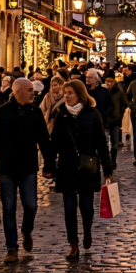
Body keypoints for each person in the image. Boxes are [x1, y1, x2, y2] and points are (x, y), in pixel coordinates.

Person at [0, 78, 55, 265]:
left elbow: (44, 141)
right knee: (9, 209)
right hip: (7, 168)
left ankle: (26, 230)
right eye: (30, 90)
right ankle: (12, 248)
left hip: (28, 167)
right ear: (18, 93)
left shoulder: (35, 112)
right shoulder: (2, 113)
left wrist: (49, 164)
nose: (33, 92)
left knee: (31, 205)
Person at [48, 80, 113, 260]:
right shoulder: (61, 115)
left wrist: (107, 168)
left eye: (70, 93)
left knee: (86, 207)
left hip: (87, 166)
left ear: (80, 95)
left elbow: (101, 143)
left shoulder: (93, 115)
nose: (66, 96)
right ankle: (73, 244)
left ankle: (87, 230)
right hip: (66, 166)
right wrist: (49, 166)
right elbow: (54, 143)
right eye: (65, 92)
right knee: (69, 207)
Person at [105, 74, 129, 169]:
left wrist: (120, 113)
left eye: (111, 81)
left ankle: (113, 160)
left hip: (115, 121)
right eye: (107, 81)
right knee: (105, 142)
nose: (109, 83)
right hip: (105, 120)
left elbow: (125, 104)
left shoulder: (119, 92)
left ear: (114, 82)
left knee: (115, 143)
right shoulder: (103, 92)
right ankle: (106, 161)